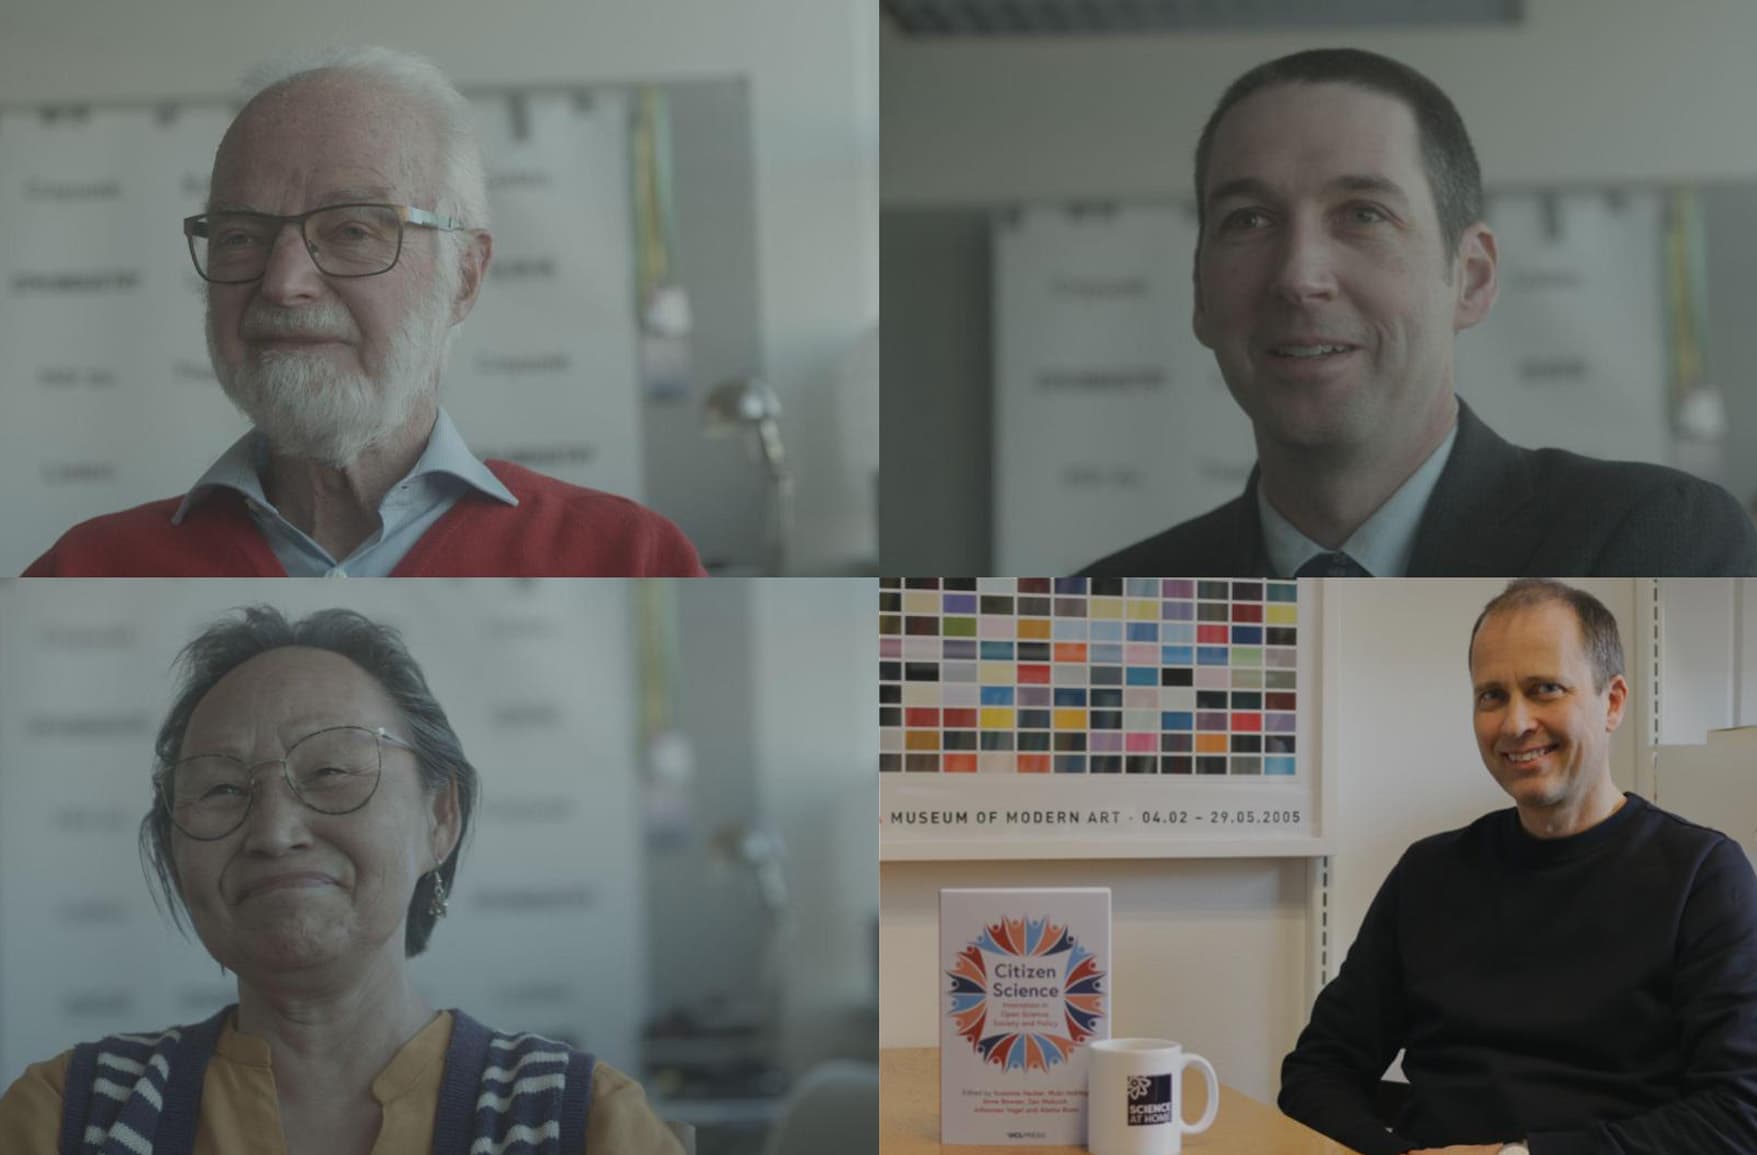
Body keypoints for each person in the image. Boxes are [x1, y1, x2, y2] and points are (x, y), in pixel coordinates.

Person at [0, 606, 684, 1154]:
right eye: (222, 788)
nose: (273, 831)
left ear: (439, 816)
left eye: (330, 772)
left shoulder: (576, 1122)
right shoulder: (71, 1117)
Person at [23, 47, 704, 577]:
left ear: (464, 275)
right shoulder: (81, 570)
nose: (284, 283)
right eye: (240, 236)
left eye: (352, 230)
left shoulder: (629, 559)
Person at [1082, 49, 1757, 578]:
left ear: (1471, 277)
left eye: (1363, 214)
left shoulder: (1655, 545)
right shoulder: (1101, 621)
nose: (1297, 277)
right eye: (1248, 219)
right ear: (1199, 292)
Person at [1279, 580, 1757, 1154]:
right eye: (1492, 696)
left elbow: (1737, 1114)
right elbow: (1317, 1072)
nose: (1515, 723)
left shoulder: (1703, 875)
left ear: (1613, 701)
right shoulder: (1429, 873)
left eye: (1545, 689)